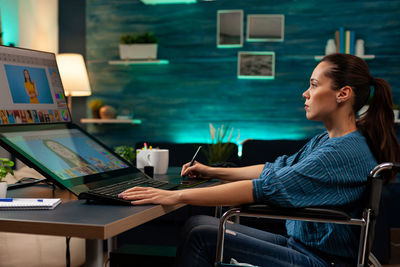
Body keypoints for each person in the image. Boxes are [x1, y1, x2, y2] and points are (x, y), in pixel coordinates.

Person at [118, 53, 400, 267]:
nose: (305, 93)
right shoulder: (329, 141)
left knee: (200, 235)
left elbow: (264, 188)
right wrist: (213, 170)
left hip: (319, 259)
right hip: (301, 245)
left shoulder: (339, 153)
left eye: (314, 85)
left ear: (343, 93)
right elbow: (274, 169)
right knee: (198, 225)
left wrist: (179, 198)